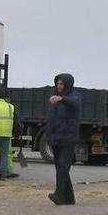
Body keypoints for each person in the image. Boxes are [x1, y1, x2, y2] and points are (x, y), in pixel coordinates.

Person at [46, 73, 79, 205]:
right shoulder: (55, 100)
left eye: (61, 84)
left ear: (67, 84)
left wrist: (61, 99)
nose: (59, 86)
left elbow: (74, 103)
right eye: (57, 84)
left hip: (68, 139)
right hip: (56, 139)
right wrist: (49, 134)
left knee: (63, 167)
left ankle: (59, 195)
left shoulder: (74, 96)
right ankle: (69, 198)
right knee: (60, 167)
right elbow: (52, 119)